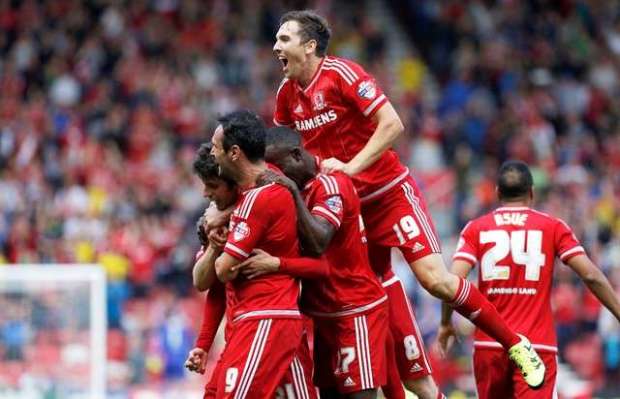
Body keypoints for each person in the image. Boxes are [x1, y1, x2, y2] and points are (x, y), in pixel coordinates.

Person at [272, 9, 545, 394]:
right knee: (368, 295)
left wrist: (350, 167)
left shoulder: (342, 75)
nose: (275, 45)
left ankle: (516, 344)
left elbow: (392, 124)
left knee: (435, 280)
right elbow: (285, 154)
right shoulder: (286, 97)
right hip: (347, 211)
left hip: (388, 194)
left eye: (285, 38)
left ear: (310, 45)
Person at [437, 160, 620, 399]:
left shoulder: (476, 228)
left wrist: (446, 322)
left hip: (490, 347)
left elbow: (453, 282)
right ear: (532, 192)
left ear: (497, 192)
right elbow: (590, 274)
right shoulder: (553, 227)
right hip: (536, 345)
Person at [235, 126, 393, 398]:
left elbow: (319, 241)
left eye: (278, 163)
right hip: (323, 315)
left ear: (296, 155)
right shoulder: (294, 188)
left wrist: (293, 194)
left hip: (353, 310)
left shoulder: (331, 184)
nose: (274, 172)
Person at [185, 142, 320, 398]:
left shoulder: (271, 203)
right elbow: (209, 285)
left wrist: (278, 264)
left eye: (212, 186)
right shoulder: (219, 220)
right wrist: (203, 345)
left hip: (270, 322)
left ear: (233, 184)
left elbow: (322, 267)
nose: (205, 194)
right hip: (245, 330)